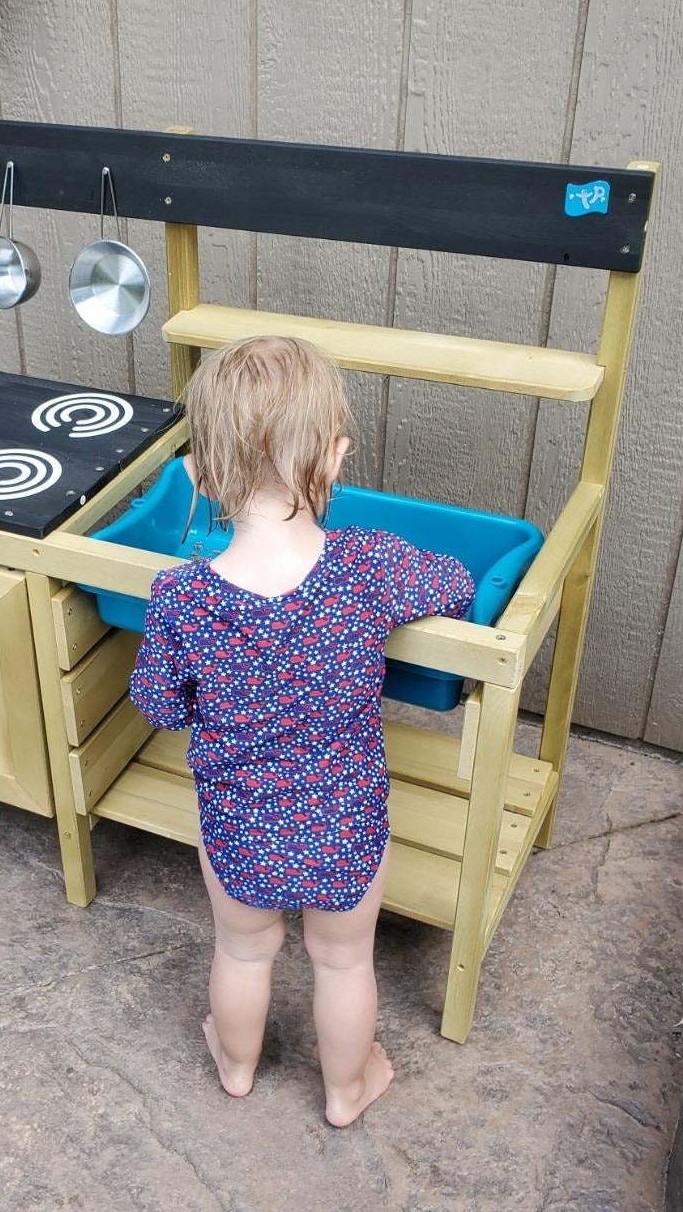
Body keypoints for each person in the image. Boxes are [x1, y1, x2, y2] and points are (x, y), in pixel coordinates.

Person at [129, 335, 474, 1127]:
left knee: (244, 950)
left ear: (198, 475)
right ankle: (347, 1090)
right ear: (334, 462)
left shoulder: (182, 597)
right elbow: (455, 583)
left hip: (240, 823)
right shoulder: (367, 567)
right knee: (344, 960)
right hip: (347, 818)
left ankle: (238, 1064)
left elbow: (159, 705)